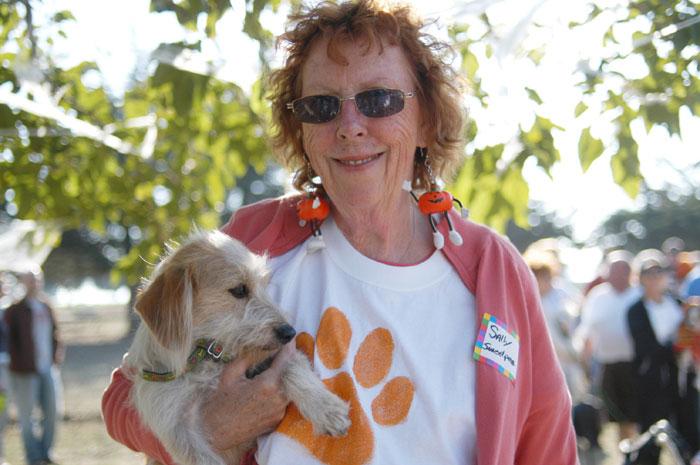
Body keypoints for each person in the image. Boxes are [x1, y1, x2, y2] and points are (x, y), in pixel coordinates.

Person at [101, 1, 577, 464]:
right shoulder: (252, 242)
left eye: (379, 99)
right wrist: (210, 429)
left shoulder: (492, 268)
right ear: (301, 130)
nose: (349, 126)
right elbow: (122, 398)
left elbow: (546, 439)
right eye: (321, 106)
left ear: (427, 121)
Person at [574, 250, 641, 442]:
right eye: (613, 271)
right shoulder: (597, 296)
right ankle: (625, 448)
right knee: (617, 415)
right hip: (608, 365)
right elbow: (587, 331)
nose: (617, 276)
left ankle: (637, 449)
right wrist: (584, 362)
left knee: (635, 414)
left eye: (623, 271)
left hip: (635, 365)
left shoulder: (639, 294)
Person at [627, 249, 685, 465]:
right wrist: (676, 346)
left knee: (686, 427)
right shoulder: (636, 310)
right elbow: (646, 347)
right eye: (648, 273)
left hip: (681, 377)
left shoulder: (677, 304)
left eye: (658, 271)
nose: (654, 277)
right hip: (651, 380)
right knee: (651, 430)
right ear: (640, 277)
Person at [5, 270, 63, 465]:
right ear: (23, 283)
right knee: (27, 415)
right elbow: (8, 340)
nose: (34, 283)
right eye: (30, 280)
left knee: (53, 412)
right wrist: (17, 363)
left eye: (37, 279)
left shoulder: (46, 307)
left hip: (48, 368)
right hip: (25, 371)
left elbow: (56, 334)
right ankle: (33, 456)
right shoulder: (15, 310)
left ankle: (46, 452)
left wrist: (56, 356)